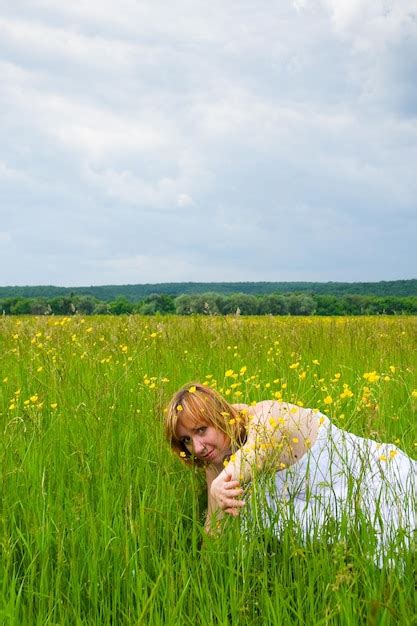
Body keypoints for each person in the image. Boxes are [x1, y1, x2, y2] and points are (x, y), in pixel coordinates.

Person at [165, 382, 416, 560]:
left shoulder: (268, 417)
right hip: (333, 507)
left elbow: (255, 453)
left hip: (383, 482)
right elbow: (214, 523)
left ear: (221, 415)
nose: (197, 447)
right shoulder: (216, 455)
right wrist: (203, 573)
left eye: (201, 430)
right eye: (186, 440)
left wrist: (223, 482)